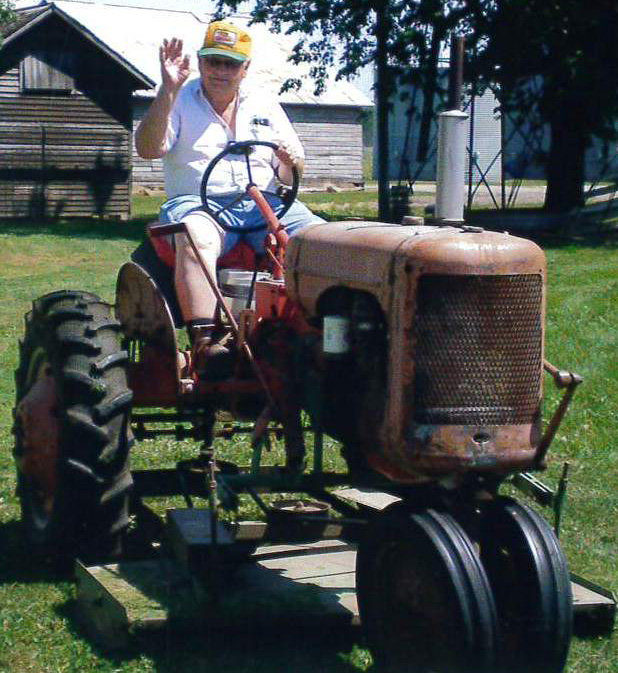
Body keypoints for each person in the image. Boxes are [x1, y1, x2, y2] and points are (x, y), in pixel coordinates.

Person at [135, 20, 323, 369]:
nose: (220, 71)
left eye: (230, 63)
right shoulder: (178, 99)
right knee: (196, 236)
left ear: (245, 68)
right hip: (199, 202)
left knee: (321, 240)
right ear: (201, 62)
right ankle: (206, 345)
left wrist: (288, 163)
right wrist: (167, 89)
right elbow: (148, 148)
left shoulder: (264, 104)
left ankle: (319, 333)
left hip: (265, 202)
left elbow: (292, 169)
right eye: (213, 61)